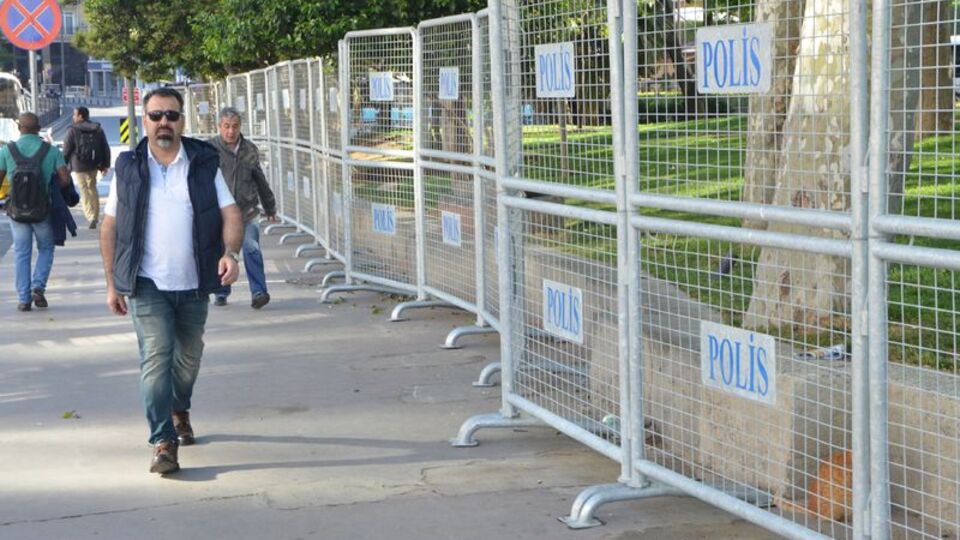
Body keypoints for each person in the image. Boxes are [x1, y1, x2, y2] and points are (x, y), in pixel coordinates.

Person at [99, 88, 242, 475]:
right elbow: (109, 225)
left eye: (172, 115)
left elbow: (230, 212)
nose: (164, 122)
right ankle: (163, 441)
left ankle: (180, 407)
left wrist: (230, 253)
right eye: (156, 115)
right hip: (146, 284)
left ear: (182, 121)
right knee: (156, 358)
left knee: (188, 358)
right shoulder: (128, 167)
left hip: (195, 282)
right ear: (144, 121)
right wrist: (113, 282)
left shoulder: (203, 163)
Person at [0, 112, 71, 312]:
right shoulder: (51, 151)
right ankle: (38, 286)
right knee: (46, 248)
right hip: (43, 210)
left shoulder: (7, 151)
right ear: (38, 128)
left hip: (17, 211)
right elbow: (65, 179)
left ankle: (24, 299)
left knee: (22, 252)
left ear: (20, 128)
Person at [208, 107, 277, 309]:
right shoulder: (210, 149)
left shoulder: (249, 149)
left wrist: (270, 206)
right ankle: (221, 291)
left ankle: (259, 292)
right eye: (226, 127)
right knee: (222, 251)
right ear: (219, 126)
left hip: (247, 212)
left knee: (251, 248)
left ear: (240, 127)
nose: (231, 131)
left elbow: (260, 179)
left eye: (235, 126)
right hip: (220, 214)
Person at [62, 106, 111, 229]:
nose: (73, 117)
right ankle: (95, 215)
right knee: (92, 188)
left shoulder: (72, 130)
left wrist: (63, 167)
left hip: (79, 165)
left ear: (80, 116)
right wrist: (105, 165)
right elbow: (105, 147)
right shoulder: (97, 129)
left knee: (83, 190)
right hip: (94, 164)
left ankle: (90, 216)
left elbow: (66, 151)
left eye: (74, 115)